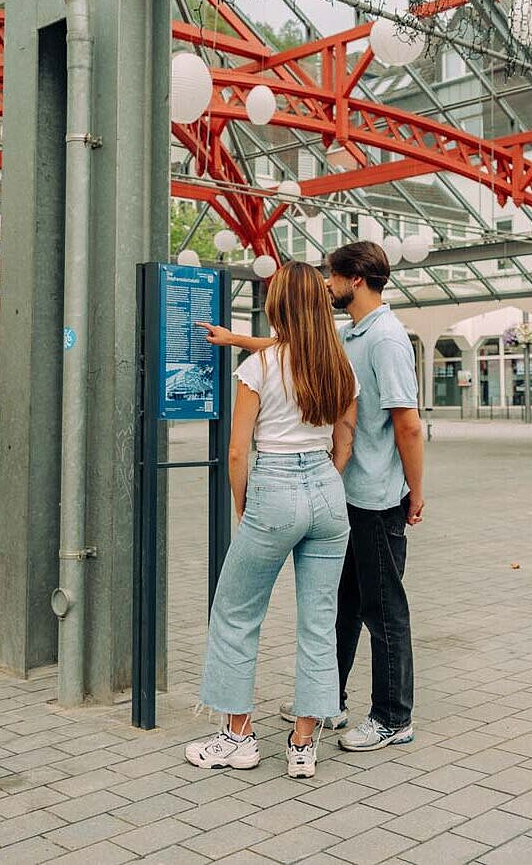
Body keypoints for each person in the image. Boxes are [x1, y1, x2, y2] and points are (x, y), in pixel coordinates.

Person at [213, 241, 426, 754]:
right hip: (338, 494)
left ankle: (393, 716)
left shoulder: (388, 340)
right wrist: (235, 338)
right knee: (337, 609)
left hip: (375, 495)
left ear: (356, 279)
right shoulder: (351, 336)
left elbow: (408, 425)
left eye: (333, 276)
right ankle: (321, 707)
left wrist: (415, 492)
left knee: (382, 607)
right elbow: (299, 353)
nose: (327, 285)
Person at [185, 261, 358, 780]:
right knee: (318, 620)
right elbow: (344, 437)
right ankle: (304, 744)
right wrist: (326, 478)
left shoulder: (258, 369)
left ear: (277, 305)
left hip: (274, 491)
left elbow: (238, 452)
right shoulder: (337, 365)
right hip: (329, 493)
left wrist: (246, 504)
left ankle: (237, 738)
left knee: (236, 613)